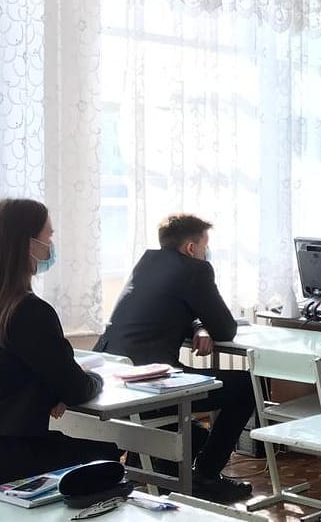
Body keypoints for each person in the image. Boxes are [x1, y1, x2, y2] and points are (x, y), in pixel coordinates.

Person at [94, 214, 254, 503]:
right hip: (148, 384)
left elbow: (171, 306)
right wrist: (206, 325)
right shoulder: (195, 270)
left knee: (196, 433)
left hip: (114, 374)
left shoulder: (147, 263)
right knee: (245, 387)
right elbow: (225, 329)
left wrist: (198, 326)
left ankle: (157, 468)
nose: (207, 251)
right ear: (191, 248)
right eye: (205, 245)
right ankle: (206, 476)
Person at [0, 198, 120, 484]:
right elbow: (78, 389)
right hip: (15, 452)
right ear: (29, 244)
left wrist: (53, 387)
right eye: (49, 236)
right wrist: (93, 378)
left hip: (10, 445)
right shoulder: (29, 311)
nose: (51, 244)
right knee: (108, 453)